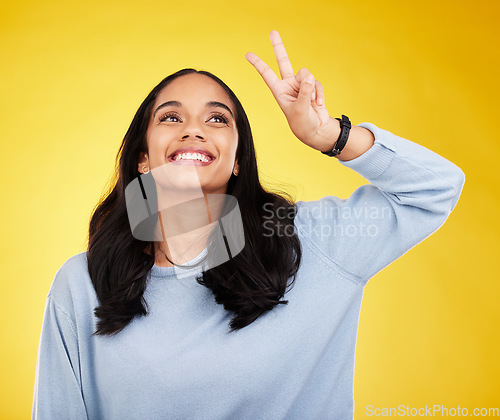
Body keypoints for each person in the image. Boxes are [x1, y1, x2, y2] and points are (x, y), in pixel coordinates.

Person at [32, 30, 465, 419]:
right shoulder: (81, 284)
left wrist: (330, 135)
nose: (193, 131)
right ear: (143, 158)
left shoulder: (311, 243)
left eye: (217, 119)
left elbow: (436, 189)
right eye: (170, 117)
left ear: (237, 160)